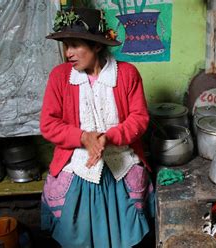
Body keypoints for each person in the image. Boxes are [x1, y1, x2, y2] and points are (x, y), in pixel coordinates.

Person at [39, 8, 154, 247]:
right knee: (74, 221)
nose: (68, 53)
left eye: (75, 45)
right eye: (65, 45)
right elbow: (49, 125)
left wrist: (107, 138)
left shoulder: (127, 74)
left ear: (97, 46)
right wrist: (83, 137)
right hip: (77, 157)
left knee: (129, 203)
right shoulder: (60, 77)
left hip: (119, 153)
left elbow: (139, 118)